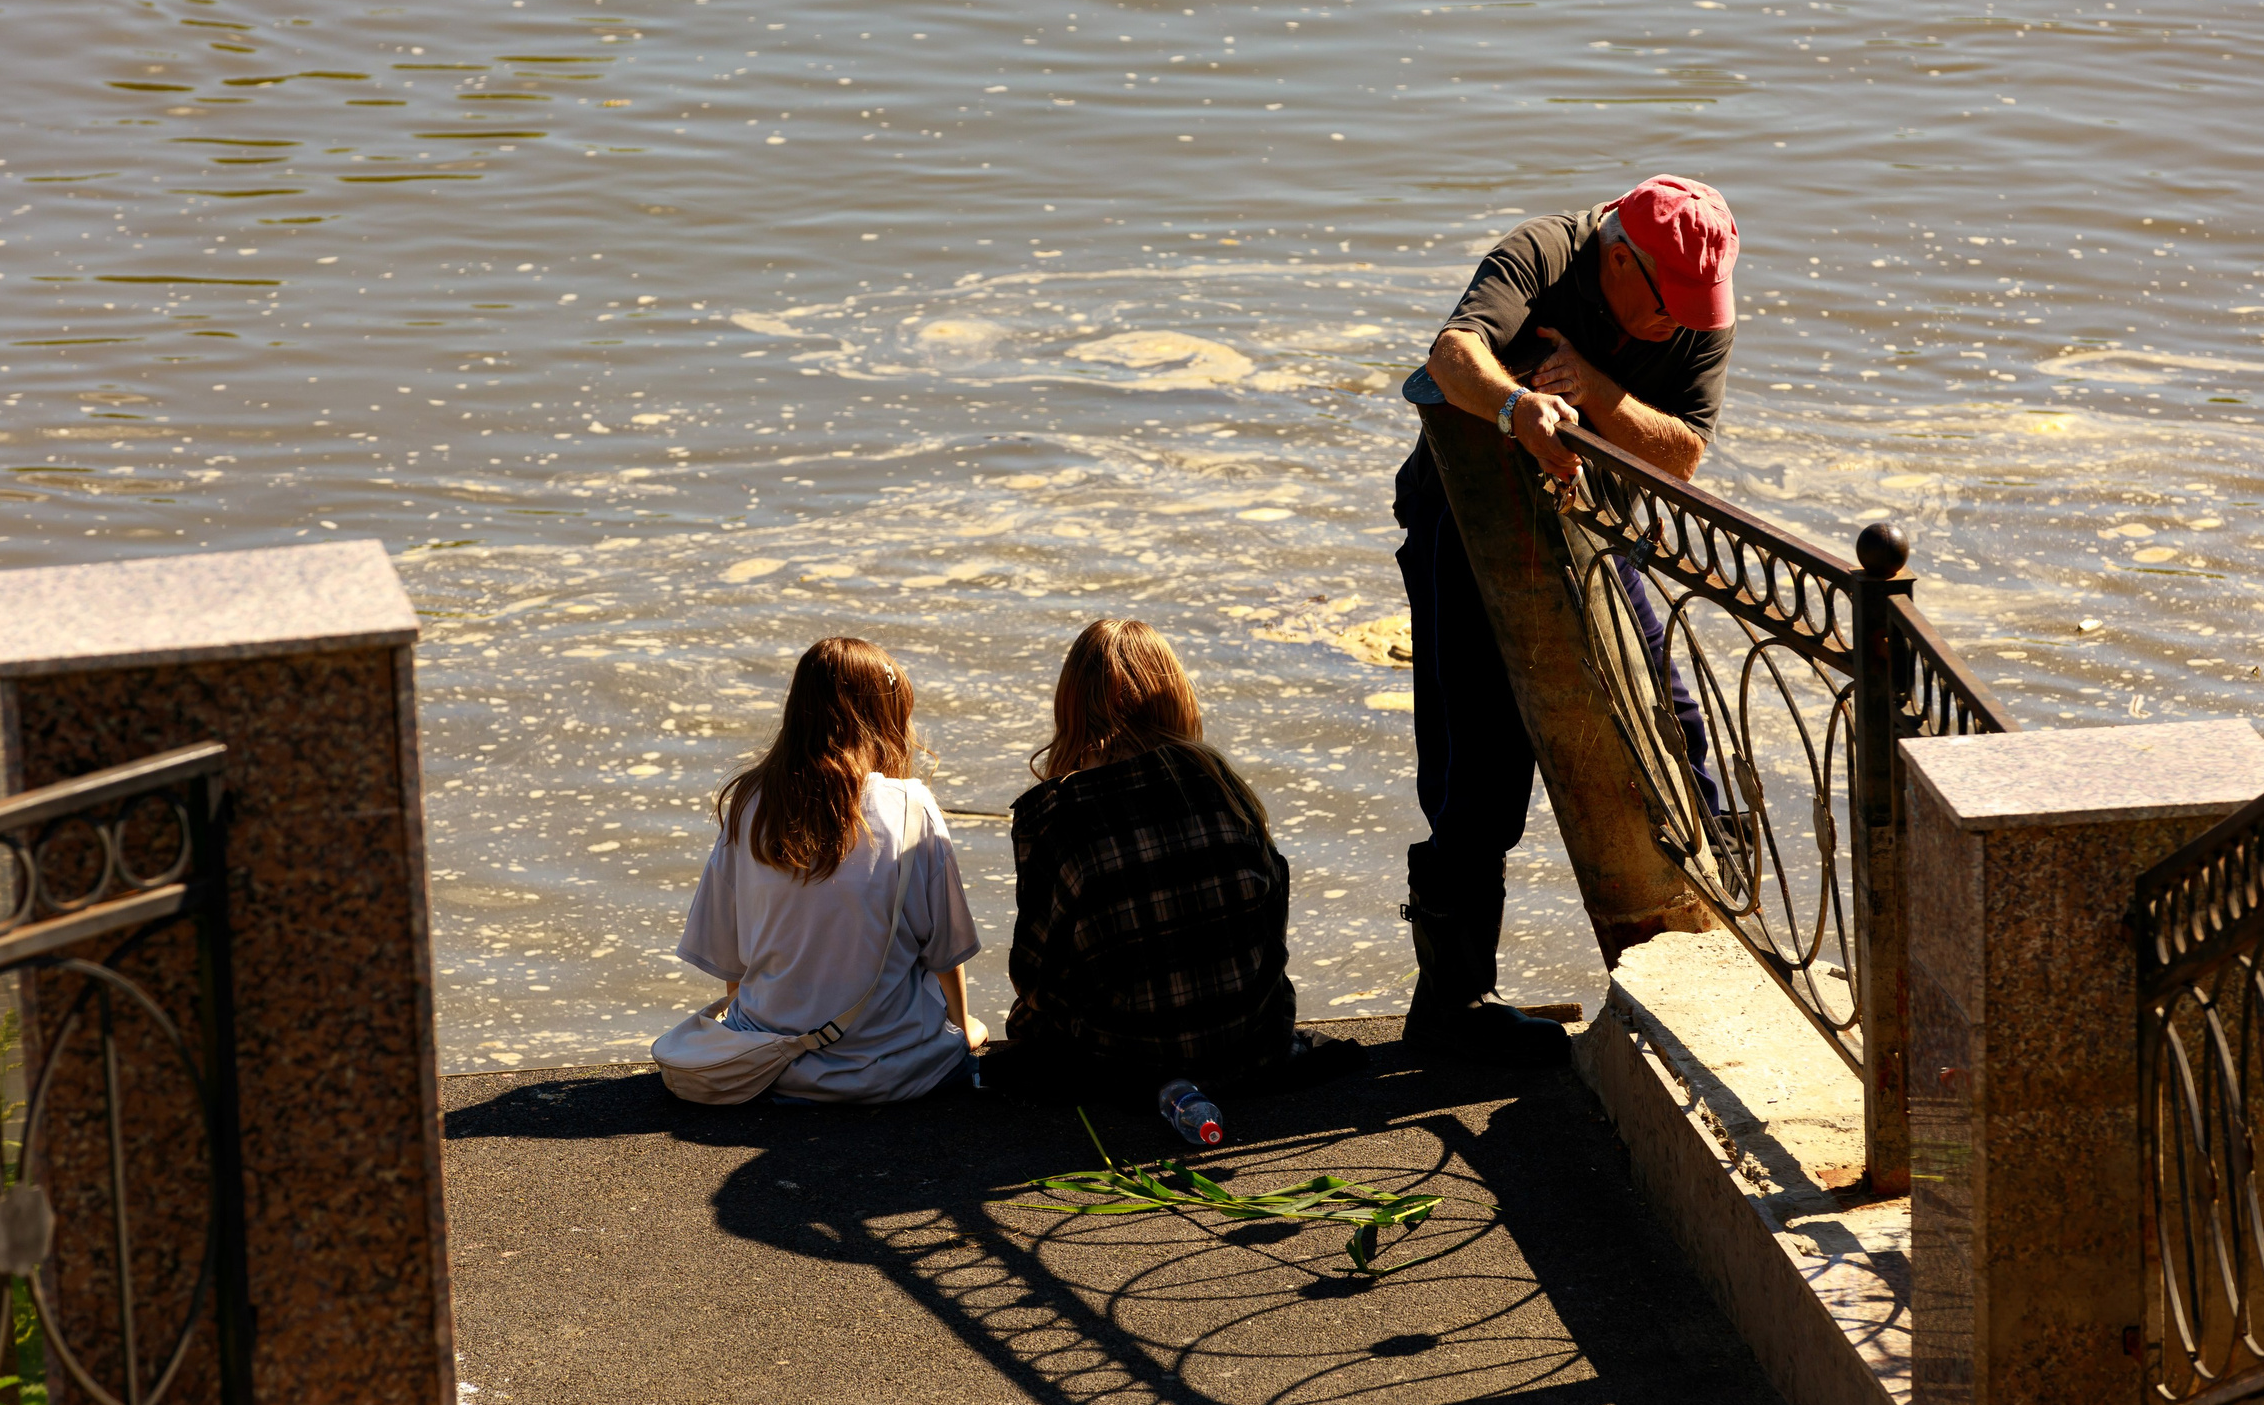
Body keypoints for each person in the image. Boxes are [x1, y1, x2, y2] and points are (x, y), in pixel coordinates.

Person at [1392, 175, 1740, 1066]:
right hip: (1462, 523)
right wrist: (1516, 407)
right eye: (1667, 309)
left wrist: (1596, 395)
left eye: (1698, 312)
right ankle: (1452, 1006)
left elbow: (1685, 454)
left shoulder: (1697, 311)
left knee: (1672, 719)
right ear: (1618, 257)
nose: (1683, 328)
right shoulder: (1542, 254)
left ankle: (1722, 934)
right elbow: (1450, 354)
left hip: (1593, 524)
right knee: (1478, 761)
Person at [978, 619, 1363, 1104]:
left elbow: (1034, 974)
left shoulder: (1055, 815)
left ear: (1071, 704)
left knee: (1025, 1022)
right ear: (1173, 694)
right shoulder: (1221, 782)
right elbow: (1272, 925)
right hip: (1249, 1044)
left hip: (1124, 1062)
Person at [673, 636, 985, 1103]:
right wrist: (963, 1029)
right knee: (969, 1030)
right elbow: (946, 951)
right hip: (898, 1073)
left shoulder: (751, 803)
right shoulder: (910, 804)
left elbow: (727, 956)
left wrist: (748, 1033)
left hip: (775, 1070)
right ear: (885, 718)